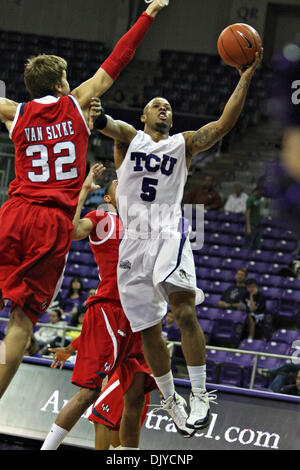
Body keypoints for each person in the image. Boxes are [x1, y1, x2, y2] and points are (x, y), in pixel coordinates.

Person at [0, 0, 169, 399]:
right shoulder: (77, 104)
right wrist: (148, 14)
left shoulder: (14, 112)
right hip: (51, 223)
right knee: (21, 328)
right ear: (60, 84)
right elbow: (119, 58)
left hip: (14, 212)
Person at [94, 50, 263, 435]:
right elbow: (110, 125)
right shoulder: (130, 139)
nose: (164, 109)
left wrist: (246, 77)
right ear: (144, 116)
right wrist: (98, 115)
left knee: (184, 310)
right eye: (157, 105)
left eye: (168, 106)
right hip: (132, 243)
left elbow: (221, 125)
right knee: (149, 330)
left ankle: (201, 393)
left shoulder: (183, 144)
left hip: (168, 231)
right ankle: (171, 401)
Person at [41, 166, 156, 451]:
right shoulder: (102, 219)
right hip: (111, 309)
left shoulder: (145, 225)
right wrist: (82, 191)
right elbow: (70, 231)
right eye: (118, 184)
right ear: (107, 198)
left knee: (136, 394)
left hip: (139, 316)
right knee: (90, 392)